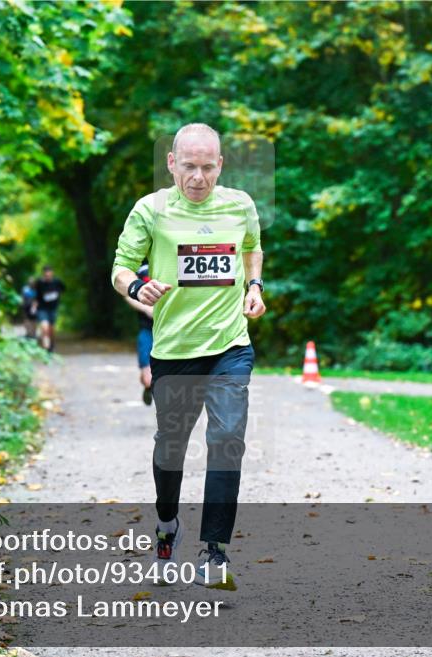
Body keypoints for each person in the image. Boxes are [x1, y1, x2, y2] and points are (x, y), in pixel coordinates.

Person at [110, 123, 266, 590]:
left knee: (226, 441)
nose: (198, 177)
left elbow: (253, 249)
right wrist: (139, 286)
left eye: (207, 167)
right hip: (175, 350)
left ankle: (214, 553)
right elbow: (119, 269)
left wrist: (254, 286)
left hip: (230, 346)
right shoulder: (150, 210)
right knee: (171, 449)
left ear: (220, 165)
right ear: (172, 164)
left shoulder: (240, 204)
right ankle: (167, 525)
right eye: (189, 167)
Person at [122, 261, 155, 406]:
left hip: (170, 331)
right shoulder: (139, 267)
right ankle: (148, 387)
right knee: (147, 379)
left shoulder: (172, 258)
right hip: (147, 329)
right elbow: (127, 294)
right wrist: (146, 309)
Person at [33, 266, 65, 353]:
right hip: (42, 309)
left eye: (49, 273)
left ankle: (51, 345)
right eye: (45, 274)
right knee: (44, 327)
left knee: (51, 329)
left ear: (52, 273)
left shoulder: (57, 282)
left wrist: (57, 298)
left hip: (53, 309)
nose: (47, 275)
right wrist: (34, 306)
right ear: (43, 274)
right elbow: (36, 296)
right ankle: (45, 348)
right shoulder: (39, 283)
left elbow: (63, 290)